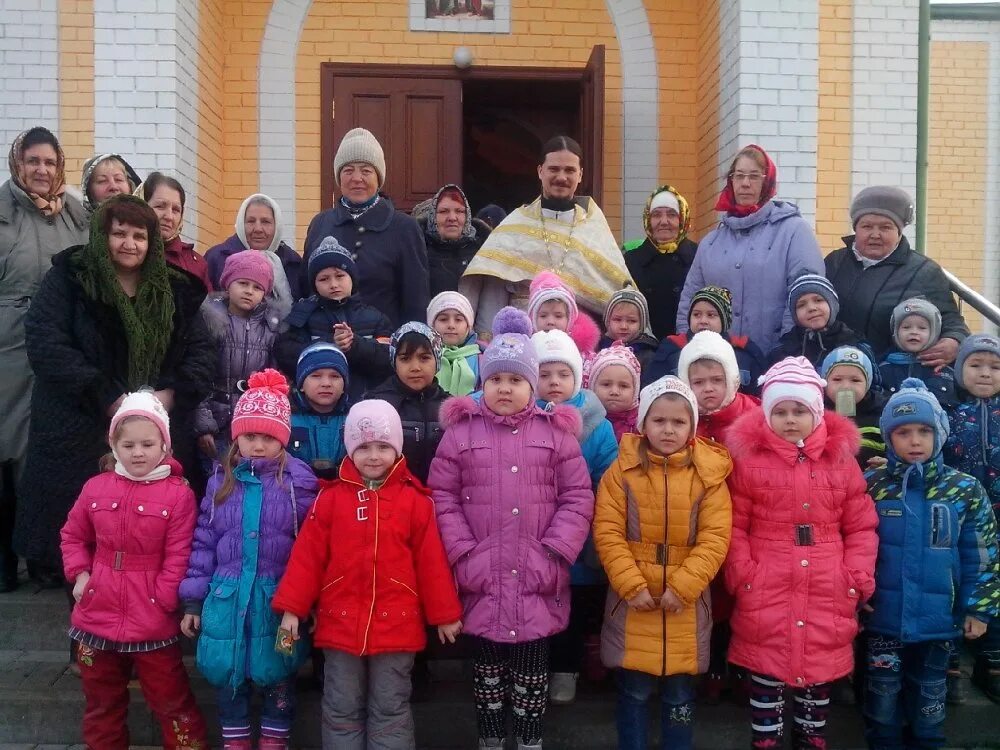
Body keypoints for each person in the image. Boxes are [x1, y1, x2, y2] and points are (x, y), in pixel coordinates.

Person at [16, 194, 212, 589]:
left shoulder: (176, 291)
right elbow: (46, 341)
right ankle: (71, 570)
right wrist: (105, 395)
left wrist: (171, 395)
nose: (129, 243)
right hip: (80, 417)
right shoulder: (71, 278)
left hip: (157, 420)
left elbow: (201, 351)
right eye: (118, 233)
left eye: (139, 235)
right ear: (101, 235)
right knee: (77, 513)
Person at [429, 311, 594, 750]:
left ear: (533, 385)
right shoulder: (461, 433)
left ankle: (528, 740)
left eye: (516, 380)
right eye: (496, 379)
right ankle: (489, 739)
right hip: (481, 575)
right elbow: (442, 496)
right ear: (483, 383)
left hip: (538, 575)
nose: (506, 388)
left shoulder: (555, 435)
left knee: (531, 674)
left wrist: (555, 552)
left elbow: (577, 497)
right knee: (486, 675)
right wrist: (463, 552)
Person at [273, 399, 463, 749]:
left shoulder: (416, 503)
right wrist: (292, 610)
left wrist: (445, 615)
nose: (373, 456)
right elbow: (307, 559)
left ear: (397, 450)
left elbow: (432, 564)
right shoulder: (329, 501)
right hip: (340, 623)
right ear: (349, 450)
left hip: (397, 626)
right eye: (363, 447)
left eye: (382, 447)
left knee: (390, 708)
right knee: (341, 705)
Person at [725, 357, 878, 750]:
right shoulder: (749, 462)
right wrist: (742, 573)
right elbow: (735, 525)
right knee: (766, 677)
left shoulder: (840, 462)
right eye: (780, 411)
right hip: (767, 583)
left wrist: (856, 576)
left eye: (799, 411)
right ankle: (766, 741)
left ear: (816, 413)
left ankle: (811, 739)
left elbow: (860, 525)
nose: (790, 419)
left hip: (827, 584)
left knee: (818, 678)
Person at [59, 392, 208, 749]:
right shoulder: (95, 487)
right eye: (128, 445)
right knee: (102, 705)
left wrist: (163, 598)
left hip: (152, 618)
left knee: (173, 704)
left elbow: (179, 554)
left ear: (164, 446)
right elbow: (72, 536)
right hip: (96, 613)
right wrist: (81, 576)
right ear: (114, 445)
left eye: (147, 443)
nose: (137, 452)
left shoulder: (178, 495)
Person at [179, 369, 318, 750]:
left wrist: (306, 600)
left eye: (268, 437)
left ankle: (275, 739)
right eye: (250, 436)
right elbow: (204, 541)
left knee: (280, 676)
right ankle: (235, 741)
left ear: (283, 439)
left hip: (278, 600)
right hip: (227, 597)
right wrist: (193, 598)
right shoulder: (220, 481)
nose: (258, 445)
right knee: (230, 676)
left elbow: (311, 545)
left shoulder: (299, 482)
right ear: (236, 436)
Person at [594, 376, 732, 750]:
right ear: (643, 423)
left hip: (685, 603)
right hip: (634, 599)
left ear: (691, 425)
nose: (668, 429)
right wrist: (632, 586)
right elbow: (608, 532)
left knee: (679, 695)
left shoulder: (709, 476)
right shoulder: (620, 473)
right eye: (659, 420)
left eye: (678, 421)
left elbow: (714, 538)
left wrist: (684, 588)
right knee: (634, 692)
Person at [864, 378, 999, 748]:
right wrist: (855, 592)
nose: (914, 440)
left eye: (924, 431)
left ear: (939, 433)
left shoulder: (965, 489)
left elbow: (983, 553)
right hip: (883, 622)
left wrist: (980, 609)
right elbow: (855, 545)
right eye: (903, 432)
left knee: (929, 702)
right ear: (889, 438)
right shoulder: (872, 485)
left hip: (940, 623)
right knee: (882, 701)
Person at [0, 126, 89, 591]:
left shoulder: (74, 214)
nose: (41, 170)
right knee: (7, 448)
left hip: (59, 343)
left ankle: (44, 554)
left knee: (49, 448)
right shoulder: (2, 213)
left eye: (49, 163)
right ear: (18, 163)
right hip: (9, 347)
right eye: (33, 161)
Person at [460, 135, 632, 332]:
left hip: (578, 341)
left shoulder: (594, 227)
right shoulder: (515, 224)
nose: (561, 177)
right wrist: (489, 339)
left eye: (569, 170)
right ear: (540, 171)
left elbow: (614, 293)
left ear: (580, 175)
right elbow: (494, 291)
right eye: (554, 169)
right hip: (521, 338)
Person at [532, 328, 619, 705]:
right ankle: (539, 670)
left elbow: (608, 480)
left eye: (562, 374)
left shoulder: (597, 424)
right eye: (545, 374)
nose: (554, 382)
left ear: (577, 378)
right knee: (539, 605)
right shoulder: (522, 416)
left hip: (580, 535)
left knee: (574, 607)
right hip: (534, 533)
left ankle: (568, 670)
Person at [675, 330, 760, 702]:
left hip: (745, 524)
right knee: (706, 597)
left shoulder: (754, 417)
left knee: (739, 598)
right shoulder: (682, 419)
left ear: (732, 379)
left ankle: (740, 666)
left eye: (716, 379)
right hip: (696, 525)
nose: (708, 389)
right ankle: (709, 667)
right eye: (697, 381)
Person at [675, 144, 824, 355]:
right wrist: (690, 349)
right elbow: (689, 300)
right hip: (716, 364)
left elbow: (805, 294)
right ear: (731, 181)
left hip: (776, 359)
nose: (745, 183)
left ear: (768, 181)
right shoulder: (711, 243)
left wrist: (786, 350)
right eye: (739, 176)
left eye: (754, 176)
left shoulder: (794, 232)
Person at [825, 186, 969, 364]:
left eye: (886, 227)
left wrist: (954, 340)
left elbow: (951, 320)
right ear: (856, 229)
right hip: (835, 369)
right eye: (867, 226)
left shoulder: (924, 271)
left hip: (893, 373)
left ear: (899, 232)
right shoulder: (835, 262)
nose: (875, 234)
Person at [302, 128, 429, 327]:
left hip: (383, 346)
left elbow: (415, 300)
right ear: (339, 176)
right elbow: (306, 289)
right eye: (348, 170)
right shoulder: (321, 223)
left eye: (366, 170)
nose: (357, 178)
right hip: (327, 345)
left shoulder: (404, 227)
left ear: (378, 177)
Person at [943, 334, 1000, 703]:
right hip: (961, 518)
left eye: (994, 367)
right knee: (954, 582)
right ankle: (946, 663)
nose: (984, 374)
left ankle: (991, 662)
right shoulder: (949, 415)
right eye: (975, 365)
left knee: (993, 584)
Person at [274, 235, 393, 402]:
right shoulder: (303, 315)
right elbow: (286, 354)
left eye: (340, 276)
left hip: (364, 404)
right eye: (324, 279)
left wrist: (355, 344)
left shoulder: (374, 317)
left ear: (352, 278)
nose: (333, 284)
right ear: (314, 284)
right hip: (316, 407)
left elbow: (389, 358)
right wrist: (330, 345)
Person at [194, 251, 282, 467]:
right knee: (217, 481)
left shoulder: (270, 328)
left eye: (257, 287)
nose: (249, 291)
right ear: (228, 283)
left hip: (252, 427)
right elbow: (199, 377)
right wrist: (204, 425)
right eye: (243, 283)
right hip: (215, 421)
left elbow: (275, 381)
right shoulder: (210, 322)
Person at [364, 323, 448, 485]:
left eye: (424, 358)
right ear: (394, 362)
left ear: (437, 360)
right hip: (392, 499)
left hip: (438, 497)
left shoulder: (448, 407)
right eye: (405, 359)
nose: (415, 367)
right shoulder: (377, 405)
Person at [645, 285, 767, 392]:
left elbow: (759, 397)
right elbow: (653, 391)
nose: (703, 321)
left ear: (724, 321)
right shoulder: (671, 349)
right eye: (696, 314)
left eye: (711, 315)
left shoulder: (744, 352)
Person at [204, 193, 302, 317]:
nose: (258, 229)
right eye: (251, 221)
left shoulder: (292, 262)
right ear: (241, 223)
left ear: (277, 226)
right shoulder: (217, 258)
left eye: (266, 222)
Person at [622, 185, 698, 339]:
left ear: (682, 219)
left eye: (671, 215)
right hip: (643, 348)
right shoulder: (630, 260)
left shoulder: (699, 256)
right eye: (656, 215)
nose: (664, 221)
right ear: (648, 220)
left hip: (687, 346)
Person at [768, 273, 867, 368]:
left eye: (818, 300)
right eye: (801, 305)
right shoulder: (782, 350)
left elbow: (873, 383)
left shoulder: (855, 346)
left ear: (833, 305)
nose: (811, 308)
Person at [288, 341, 351, 481]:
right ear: (301, 384)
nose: (326, 383)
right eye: (316, 376)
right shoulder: (286, 418)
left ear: (344, 385)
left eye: (335, 376)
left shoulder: (355, 419)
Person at [878, 298, 957, 407]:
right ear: (896, 332)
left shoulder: (945, 369)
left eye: (922, 328)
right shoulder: (883, 369)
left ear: (933, 333)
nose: (914, 332)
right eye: (906, 327)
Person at [414, 184, 490, 297]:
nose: (452, 218)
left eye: (459, 211)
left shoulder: (484, 252)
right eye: (444, 211)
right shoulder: (416, 251)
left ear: (467, 215)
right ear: (432, 216)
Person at [141, 171, 211, 291]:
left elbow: (207, 308)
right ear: (142, 205)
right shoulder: (128, 253)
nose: (169, 216)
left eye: (176, 210)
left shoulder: (196, 264)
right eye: (160, 206)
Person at [820, 346, 887, 470]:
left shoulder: (883, 413)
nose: (845, 386)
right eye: (837, 379)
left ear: (867, 384)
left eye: (855, 380)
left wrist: (887, 464)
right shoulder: (816, 412)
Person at [526, 270, 601, 364]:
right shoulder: (527, 347)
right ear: (533, 319)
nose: (550, 321)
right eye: (543, 316)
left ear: (569, 319)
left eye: (558, 316)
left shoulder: (580, 352)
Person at [428, 290, 484, 397]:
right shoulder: (424, 357)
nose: (451, 325)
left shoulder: (482, 359)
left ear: (468, 326)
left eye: (458, 319)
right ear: (432, 325)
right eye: (443, 319)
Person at [589, 344, 642, 442]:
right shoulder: (584, 422)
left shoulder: (643, 424)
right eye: (606, 384)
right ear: (592, 386)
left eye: (623, 386)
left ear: (635, 389)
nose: (614, 392)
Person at [601, 288, 659, 372]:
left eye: (632, 321)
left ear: (641, 324)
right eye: (617, 319)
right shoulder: (597, 349)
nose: (624, 326)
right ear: (608, 321)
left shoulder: (648, 357)